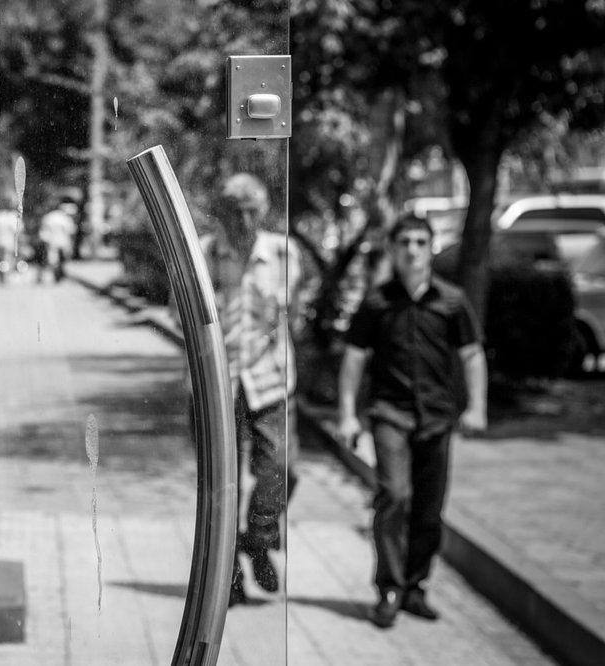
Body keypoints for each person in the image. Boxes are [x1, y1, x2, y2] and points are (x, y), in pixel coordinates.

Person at [337, 214, 488, 629]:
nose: (413, 250)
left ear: (432, 247)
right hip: (389, 414)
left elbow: (472, 355)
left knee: (428, 508)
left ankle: (415, 587)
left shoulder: (452, 301)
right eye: (404, 241)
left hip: (437, 418)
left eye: (421, 242)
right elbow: (353, 358)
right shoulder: (376, 302)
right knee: (395, 495)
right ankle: (389, 586)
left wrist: (476, 407)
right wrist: (348, 414)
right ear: (393, 248)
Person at [187, 173, 302, 606]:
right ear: (223, 213)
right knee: (222, 485)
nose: (247, 220)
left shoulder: (282, 253)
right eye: (237, 211)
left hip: (269, 379)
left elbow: (291, 313)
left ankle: (259, 537)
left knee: (281, 467)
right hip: (218, 384)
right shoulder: (205, 252)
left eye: (254, 209)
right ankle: (227, 576)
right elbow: (180, 314)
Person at [37, 202, 77, 283]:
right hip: (63, 242)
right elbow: (71, 231)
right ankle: (58, 277)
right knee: (61, 261)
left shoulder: (48, 217)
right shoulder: (65, 218)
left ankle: (49, 277)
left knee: (52, 260)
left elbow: (43, 232)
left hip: (51, 241)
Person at [0, 207, 23, 284]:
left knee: (0, 262)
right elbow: (19, 232)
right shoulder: (13, 216)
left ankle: (2, 279)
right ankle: (5, 279)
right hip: (9, 243)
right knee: (7, 261)